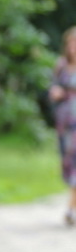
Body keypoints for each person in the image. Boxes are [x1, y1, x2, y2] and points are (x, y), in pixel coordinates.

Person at [48, 25, 76, 226]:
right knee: (69, 163)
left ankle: (70, 209)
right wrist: (56, 92)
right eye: (71, 44)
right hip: (66, 122)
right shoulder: (60, 66)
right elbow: (52, 89)